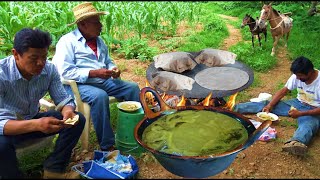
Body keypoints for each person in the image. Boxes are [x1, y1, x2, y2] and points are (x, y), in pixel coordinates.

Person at [52, 2, 140, 151]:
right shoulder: (67, 42)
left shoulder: (99, 41)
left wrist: (113, 69)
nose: (100, 25)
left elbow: (108, 61)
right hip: (76, 86)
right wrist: (93, 73)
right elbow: (63, 72)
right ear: (83, 24)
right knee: (99, 96)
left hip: (101, 81)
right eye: (96, 22)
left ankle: (139, 128)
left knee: (132, 88)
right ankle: (107, 145)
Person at [0, 28, 86, 179]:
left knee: (78, 120)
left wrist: (68, 111)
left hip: (32, 119)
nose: (40, 63)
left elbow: (62, 98)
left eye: (44, 56)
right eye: (33, 58)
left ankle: (54, 168)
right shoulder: (2, 75)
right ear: (15, 54)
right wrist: (36, 124)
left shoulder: (50, 69)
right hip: (9, 128)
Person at [233, 56, 320, 156]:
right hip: (297, 103)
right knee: (266, 104)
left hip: (314, 110)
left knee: (308, 124)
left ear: (309, 72)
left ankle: (296, 142)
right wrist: (270, 105)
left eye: (300, 76)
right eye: (296, 75)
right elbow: (284, 91)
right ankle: (233, 108)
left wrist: (301, 114)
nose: (297, 78)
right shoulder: (297, 76)